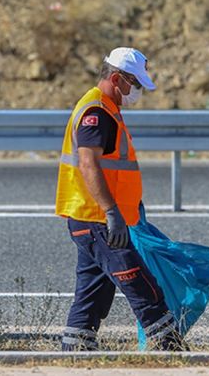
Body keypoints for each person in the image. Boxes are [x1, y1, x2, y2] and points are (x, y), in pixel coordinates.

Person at [55, 47, 185, 351]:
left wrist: (128, 207)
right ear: (117, 78)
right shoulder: (97, 112)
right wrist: (112, 210)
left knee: (92, 292)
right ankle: (170, 348)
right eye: (135, 84)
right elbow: (89, 164)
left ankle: (75, 351)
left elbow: (114, 169)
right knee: (142, 286)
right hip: (98, 219)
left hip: (94, 219)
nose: (137, 91)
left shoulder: (104, 107)